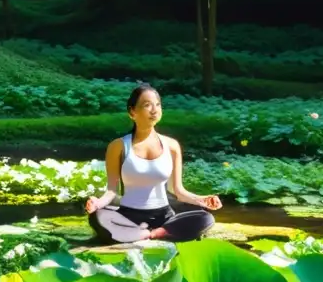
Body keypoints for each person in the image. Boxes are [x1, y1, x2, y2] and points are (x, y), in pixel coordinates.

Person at [84, 83, 221, 242]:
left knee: (205, 218)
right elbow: (112, 191)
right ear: (132, 112)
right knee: (98, 216)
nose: (154, 110)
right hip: (129, 216)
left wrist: (203, 200)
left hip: (164, 217)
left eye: (157, 105)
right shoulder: (118, 146)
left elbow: (177, 190)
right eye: (147, 105)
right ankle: (146, 234)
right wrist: (97, 203)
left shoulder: (172, 145)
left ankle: (155, 233)